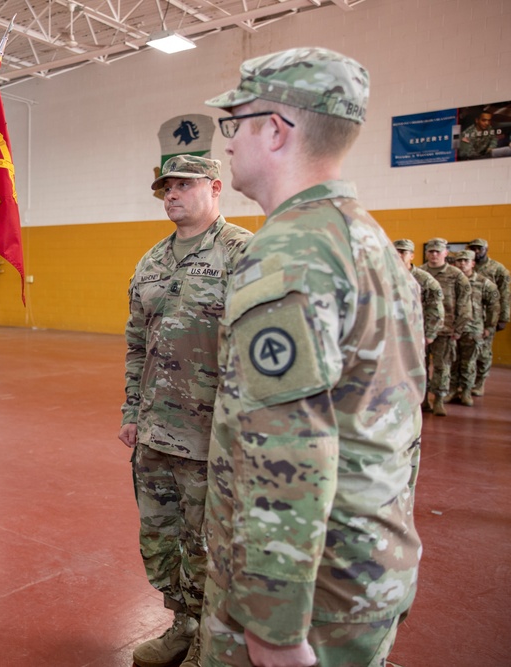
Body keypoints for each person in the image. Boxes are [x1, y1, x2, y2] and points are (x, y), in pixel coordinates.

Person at [201, 47, 424, 667]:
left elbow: (290, 454)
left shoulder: (289, 255)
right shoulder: (365, 239)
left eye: (234, 124)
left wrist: (273, 629)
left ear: (274, 130)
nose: (228, 145)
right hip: (365, 565)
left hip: (311, 593)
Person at [119, 155, 252, 667]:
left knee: (209, 546)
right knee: (162, 538)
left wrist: (241, 432)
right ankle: (183, 625)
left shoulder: (242, 252)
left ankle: (210, 645)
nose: (172, 194)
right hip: (154, 432)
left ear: (215, 188)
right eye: (166, 187)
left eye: (184, 185)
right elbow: (136, 343)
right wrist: (132, 409)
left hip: (212, 436)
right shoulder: (151, 261)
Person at [421, 238, 471, 416]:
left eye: (438, 251)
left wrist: (458, 329)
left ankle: (439, 400)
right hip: (421, 330)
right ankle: (423, 399)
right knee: (421, 366)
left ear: (445, 253)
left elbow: (465, 304)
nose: (434, 254)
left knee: (442, 367)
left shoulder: (457, 275)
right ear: (427, 253)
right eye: (431, 251)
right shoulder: (419, 273)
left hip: (445, 330)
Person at [449, 250, 499, 407]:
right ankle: (451, 390)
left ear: (473, 263)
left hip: (473, 328)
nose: (462, 263)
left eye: (466, 261)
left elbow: (494, 306)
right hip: (452, 328)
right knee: (452, 361)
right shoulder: (450, 281)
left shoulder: (484, 283)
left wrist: (490, 326)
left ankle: (466, 391)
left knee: (469, 362)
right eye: (459, 261)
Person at [466, 238, 509, 396]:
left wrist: (503, 318)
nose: (476, 251)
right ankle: (465, 384)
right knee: (466, 352)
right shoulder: (464, 266)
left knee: (483, 352)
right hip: (467, 316)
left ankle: (480, 382)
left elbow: (505, 294)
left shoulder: (497, 269)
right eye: (473, 248)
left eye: (479, 248)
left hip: (487, 317)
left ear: (486, 249)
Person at [393, 239, 444, 347]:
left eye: (403, 252)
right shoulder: (384, 276)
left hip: (415, 332)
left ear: (412, 256)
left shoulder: (424, 279)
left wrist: (430, 334)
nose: (398, 255)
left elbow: (435, 307)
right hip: (392, 332)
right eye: (395, 252)